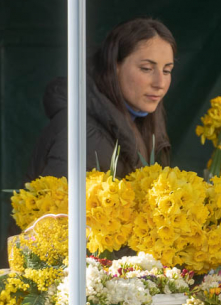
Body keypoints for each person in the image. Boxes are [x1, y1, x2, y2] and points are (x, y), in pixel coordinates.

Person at [26, 16, 175, 181]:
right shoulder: (81, 132)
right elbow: (56, 205)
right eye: (146, 69)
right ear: (114, 67)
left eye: (167, 70)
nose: (160, 83)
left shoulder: (141, 121)